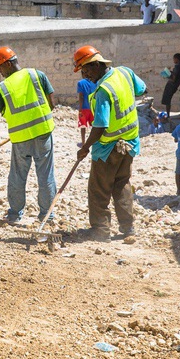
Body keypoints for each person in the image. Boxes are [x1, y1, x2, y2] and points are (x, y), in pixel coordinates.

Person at [0, 47, 57, 224]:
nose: (0, 72)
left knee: (17, 176)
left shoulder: (3, 87)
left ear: (8, 63)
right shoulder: (37, 75)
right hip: (43, 134)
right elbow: (51, 104)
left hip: (21, 139)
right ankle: (47, 216)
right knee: (46, 175)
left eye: (0, 68)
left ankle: (14, 215)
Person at [75, 45, 146, 240]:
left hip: (108, 148)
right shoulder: (125, 73)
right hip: (129, 143)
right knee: (122, 184)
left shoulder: (103, 90)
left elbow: (100, 126)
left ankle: (101, 230)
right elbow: (143, 89)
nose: (85, 75)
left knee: (98, 189)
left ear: (97, 65)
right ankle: (127, 228)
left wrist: (85, 147)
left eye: (86, 69)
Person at [77, 68, 97, 147]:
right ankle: (94, 141)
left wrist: (80, 110)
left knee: (83, 126)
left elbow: (81, 97)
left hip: (84, 108)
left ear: (82, 74)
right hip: (92, 108)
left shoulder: (80, 83)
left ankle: (83, 142)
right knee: (94, 126)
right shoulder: (95, 82)